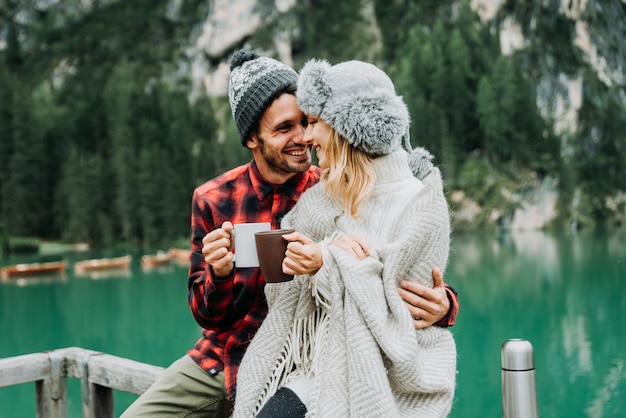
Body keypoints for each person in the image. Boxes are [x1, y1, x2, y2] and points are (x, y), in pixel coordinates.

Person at [120, 50, 458, 418]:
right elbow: (206, 316)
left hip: (308, 354)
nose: (304, 137)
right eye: (284, 129)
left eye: (306, 121)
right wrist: (219, 274)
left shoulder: (335, 183)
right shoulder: (215, 198)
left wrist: (445, 306)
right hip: (228, 356)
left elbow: (393, 262)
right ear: (252, 138)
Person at [232, 59, 456, 417]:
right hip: (312, 368)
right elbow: (282, 287)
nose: (307, 137)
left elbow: (400, 314)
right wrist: (310, 259)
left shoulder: (421, 203)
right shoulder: (323, 197)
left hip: (380, 378)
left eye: (314, 123)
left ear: (346, 127)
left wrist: (327, 261)